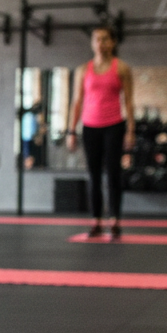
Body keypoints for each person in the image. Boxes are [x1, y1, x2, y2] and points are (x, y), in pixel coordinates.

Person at [66, 27, 135, 239]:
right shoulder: (82, 70)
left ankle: (114, 221)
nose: (101, 43)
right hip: (90, 127)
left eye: (105, 39)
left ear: (112, 42)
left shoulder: (122, 68)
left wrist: (131, 131)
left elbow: (129, 102)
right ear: (92, 43)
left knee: (113, 174)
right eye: (97, 39)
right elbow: (76, 102)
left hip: (114, 126)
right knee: (94, 176)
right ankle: (96, 221)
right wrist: (71, 130)